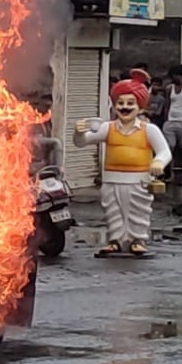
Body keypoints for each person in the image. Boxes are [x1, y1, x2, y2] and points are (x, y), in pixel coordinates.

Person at [74, 69, 172, 257]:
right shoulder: (107, 128)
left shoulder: (148, 129)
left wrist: (159, 162)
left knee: (138, 211)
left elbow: (164, 151)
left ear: (140, 107)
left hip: (139, 179)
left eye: (130, 103)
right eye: (120, 103)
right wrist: (78, 132)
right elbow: (82, 142)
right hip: (112, 178)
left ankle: (137, 240)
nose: (124, 107)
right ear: (114, 105)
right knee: (113, 211)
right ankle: (115, 241)